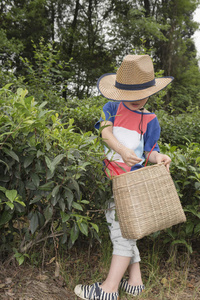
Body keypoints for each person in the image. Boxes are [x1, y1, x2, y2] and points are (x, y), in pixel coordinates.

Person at [74, 54, 174, 300]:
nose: (138, 100)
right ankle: (136, 281)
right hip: (108, 179)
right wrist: (122, 151)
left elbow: (150, 151)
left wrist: (158, 158)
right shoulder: (110, 108)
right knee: (126, 228)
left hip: (130, 184)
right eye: (132, 96)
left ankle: (108, 290)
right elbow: (106, 134)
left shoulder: (151, 119)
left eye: (142, 94)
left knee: (123, 232)